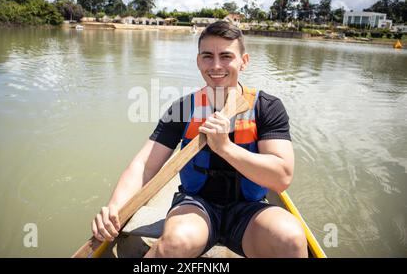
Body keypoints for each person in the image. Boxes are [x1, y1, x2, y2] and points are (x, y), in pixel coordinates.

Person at [91, 21, 308, 258]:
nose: (216, 65)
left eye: (226, 56)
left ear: (243, 61)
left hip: (250, 209)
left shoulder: (267, 107)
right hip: (196, 205)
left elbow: (282, 177)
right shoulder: (183, 108)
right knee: (174, 243)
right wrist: (115, 207)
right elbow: (145, 165)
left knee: (290, 238)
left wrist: (225, 147)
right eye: (207, 56)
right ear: (198, 61)